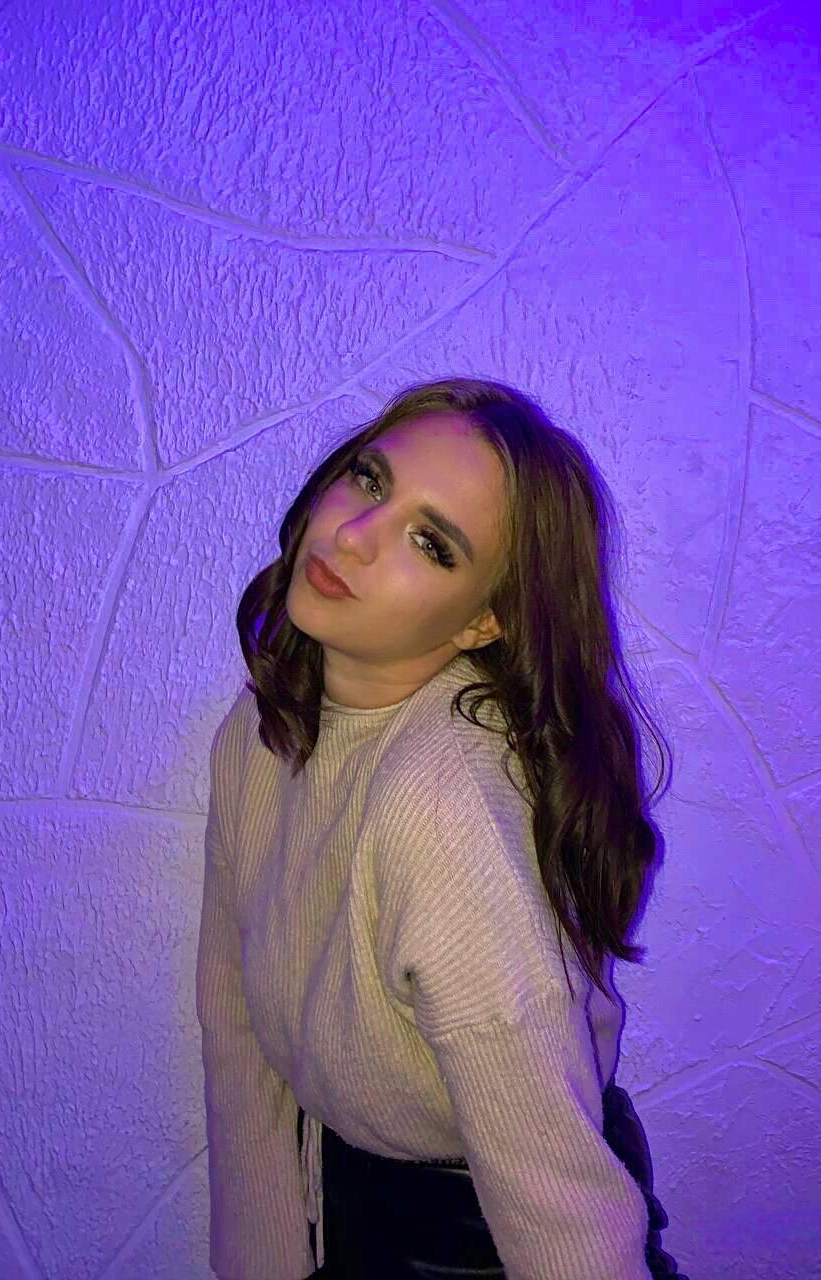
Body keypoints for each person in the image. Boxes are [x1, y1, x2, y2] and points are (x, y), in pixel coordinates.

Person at [196, 376, 688, 1279]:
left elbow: (557, 1204)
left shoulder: (442, 807)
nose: (353, 535)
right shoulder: (263, 731)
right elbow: (236, 1024)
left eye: (431, 543)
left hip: (483, 1234)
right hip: (345, 1187)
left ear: (483, 621)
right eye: (370, 479)